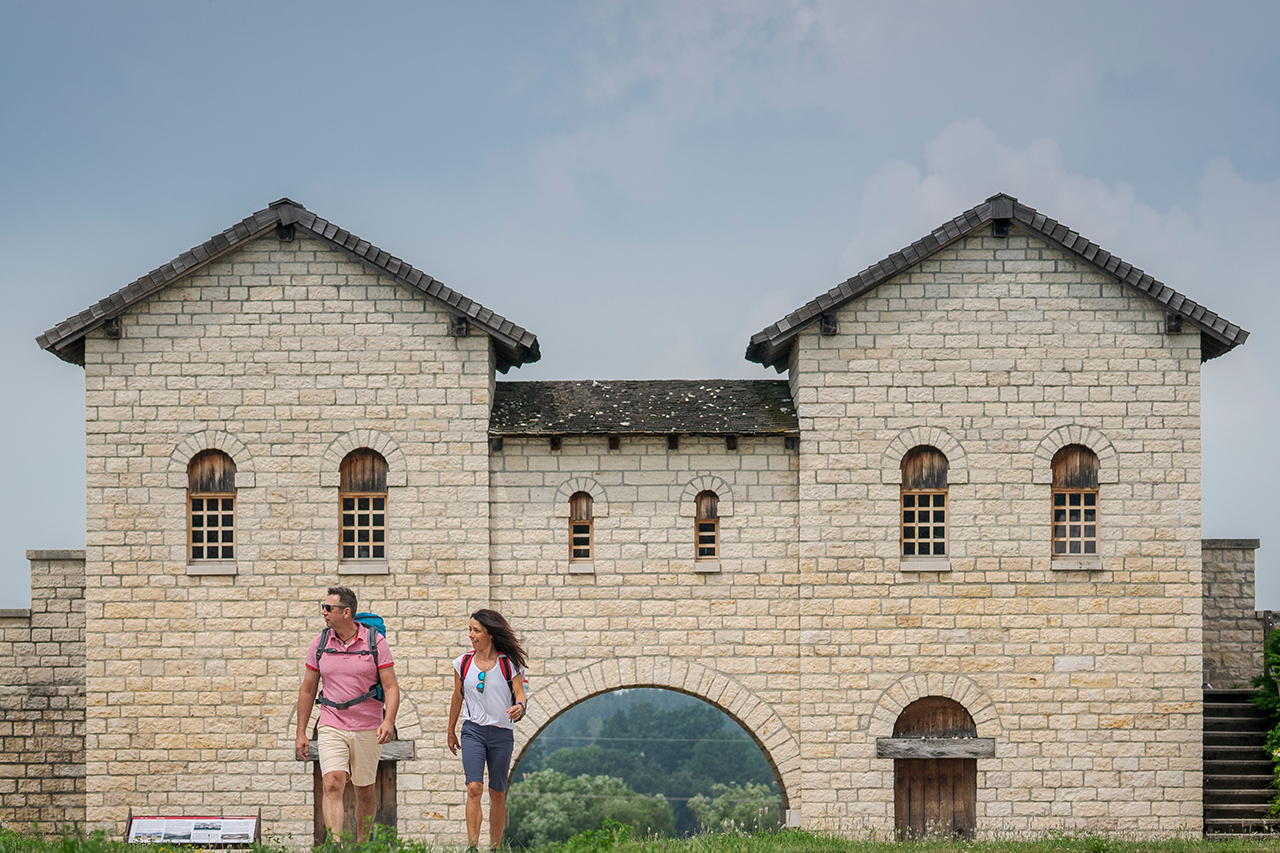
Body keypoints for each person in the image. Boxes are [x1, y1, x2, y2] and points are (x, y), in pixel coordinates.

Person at [295, 586, 400, 843]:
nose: (323, 613)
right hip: (331, 722)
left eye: (328, 608)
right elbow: (308, 690)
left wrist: (388, 721)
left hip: (367, 724)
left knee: (365, 791)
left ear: (346, 612)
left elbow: (391, 686)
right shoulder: (319, 644)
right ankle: (336, 846)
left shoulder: (375, 642)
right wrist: (300, 732)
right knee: (332, 782)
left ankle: (363, 846)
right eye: (323, 607)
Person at [447, 609, 528, 853]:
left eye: (476, 630)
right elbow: (457, 697)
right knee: (474, 788)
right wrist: (451, 730)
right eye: (470, 629)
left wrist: (520, 707)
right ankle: (472, 847)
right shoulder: (462, 663)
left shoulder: (508, 664)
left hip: (501, 733)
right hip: (473, 731)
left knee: (497, 792)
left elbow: (521, 694)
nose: (470, 635)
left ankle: (495, 848)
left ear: (490, 634)